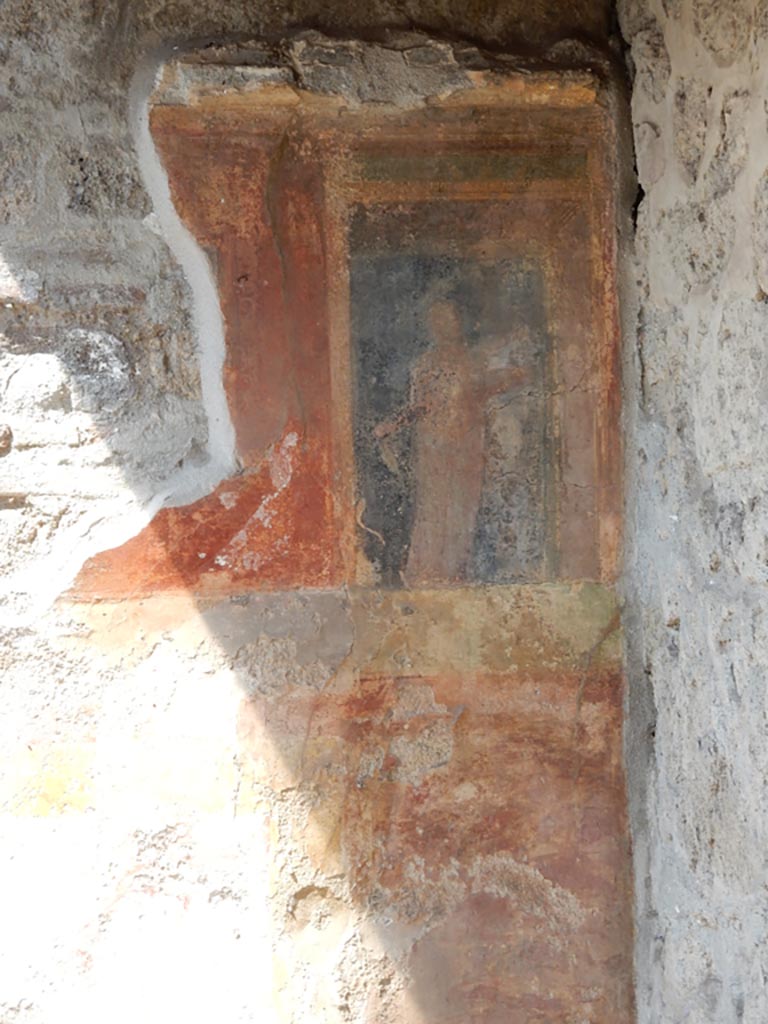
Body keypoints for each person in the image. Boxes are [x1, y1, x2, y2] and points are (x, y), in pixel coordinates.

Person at [374, 295, 528, 584]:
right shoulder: (426, 363)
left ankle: (455, 573)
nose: (445, 325)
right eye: (438, 320)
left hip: (468, 444)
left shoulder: (475, 359)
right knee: (433, 507)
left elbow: (489, 387)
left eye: (450, 318)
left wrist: (515, 374)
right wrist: (392, 424)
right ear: (432, 326)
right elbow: (419, 405)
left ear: (460, 322)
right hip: (434, 445)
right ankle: (426, 574)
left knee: (462, 510)